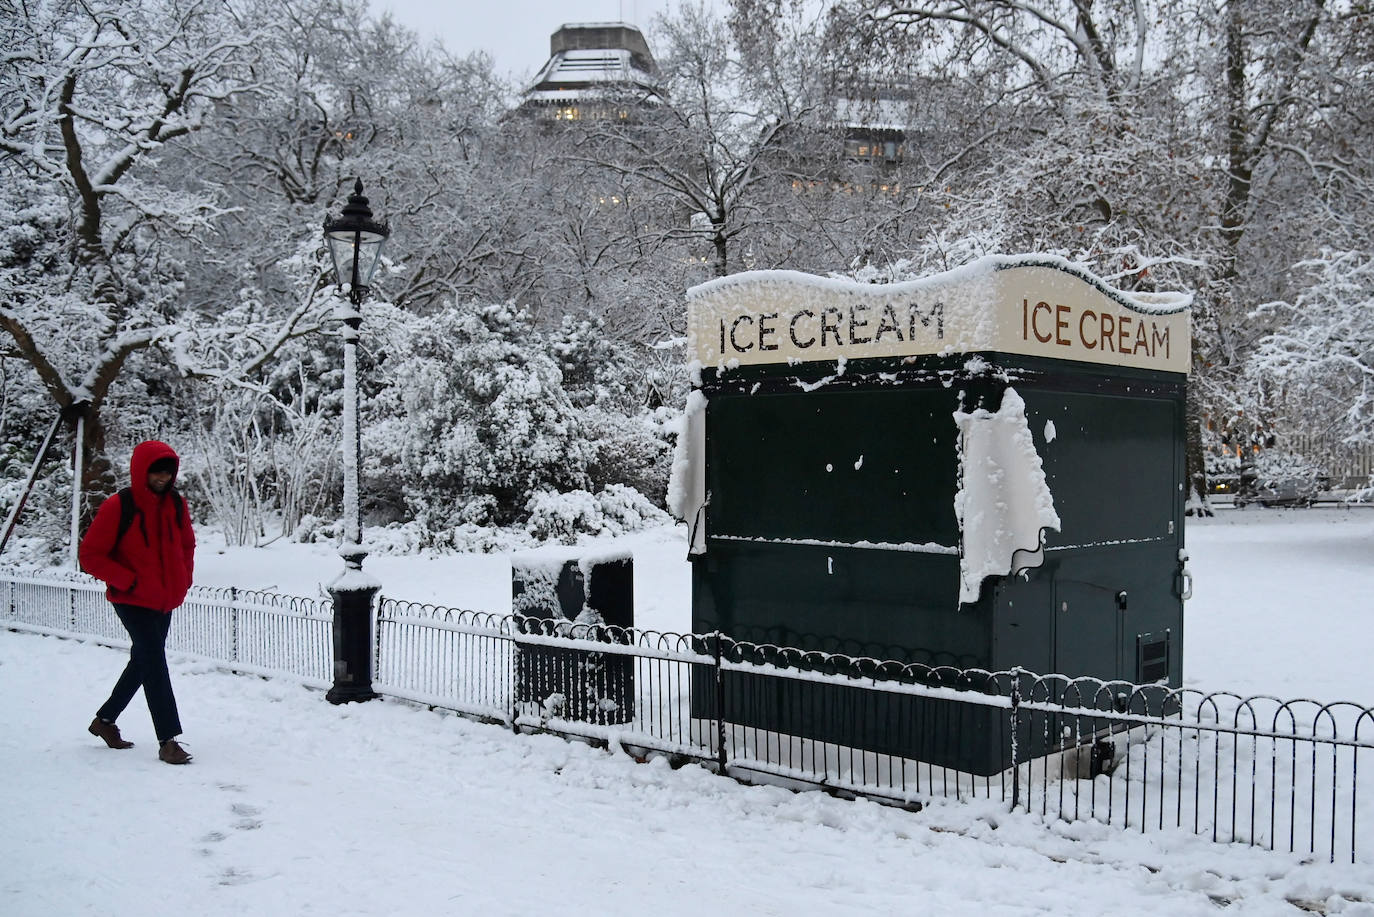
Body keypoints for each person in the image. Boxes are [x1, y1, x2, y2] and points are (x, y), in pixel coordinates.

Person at [79, 440, 197, 765]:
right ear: (141, 471)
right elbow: (89, 555)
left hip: (164, 599)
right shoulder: (119, 506)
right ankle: (168, 740)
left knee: (143, 661)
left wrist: (183, 579)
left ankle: (104, 722)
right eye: (156, 472)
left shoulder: (176, 505)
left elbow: (187, 545)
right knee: (155, 662)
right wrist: (127, 580)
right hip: (131, 598)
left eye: (167, 473)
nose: (161, 479)